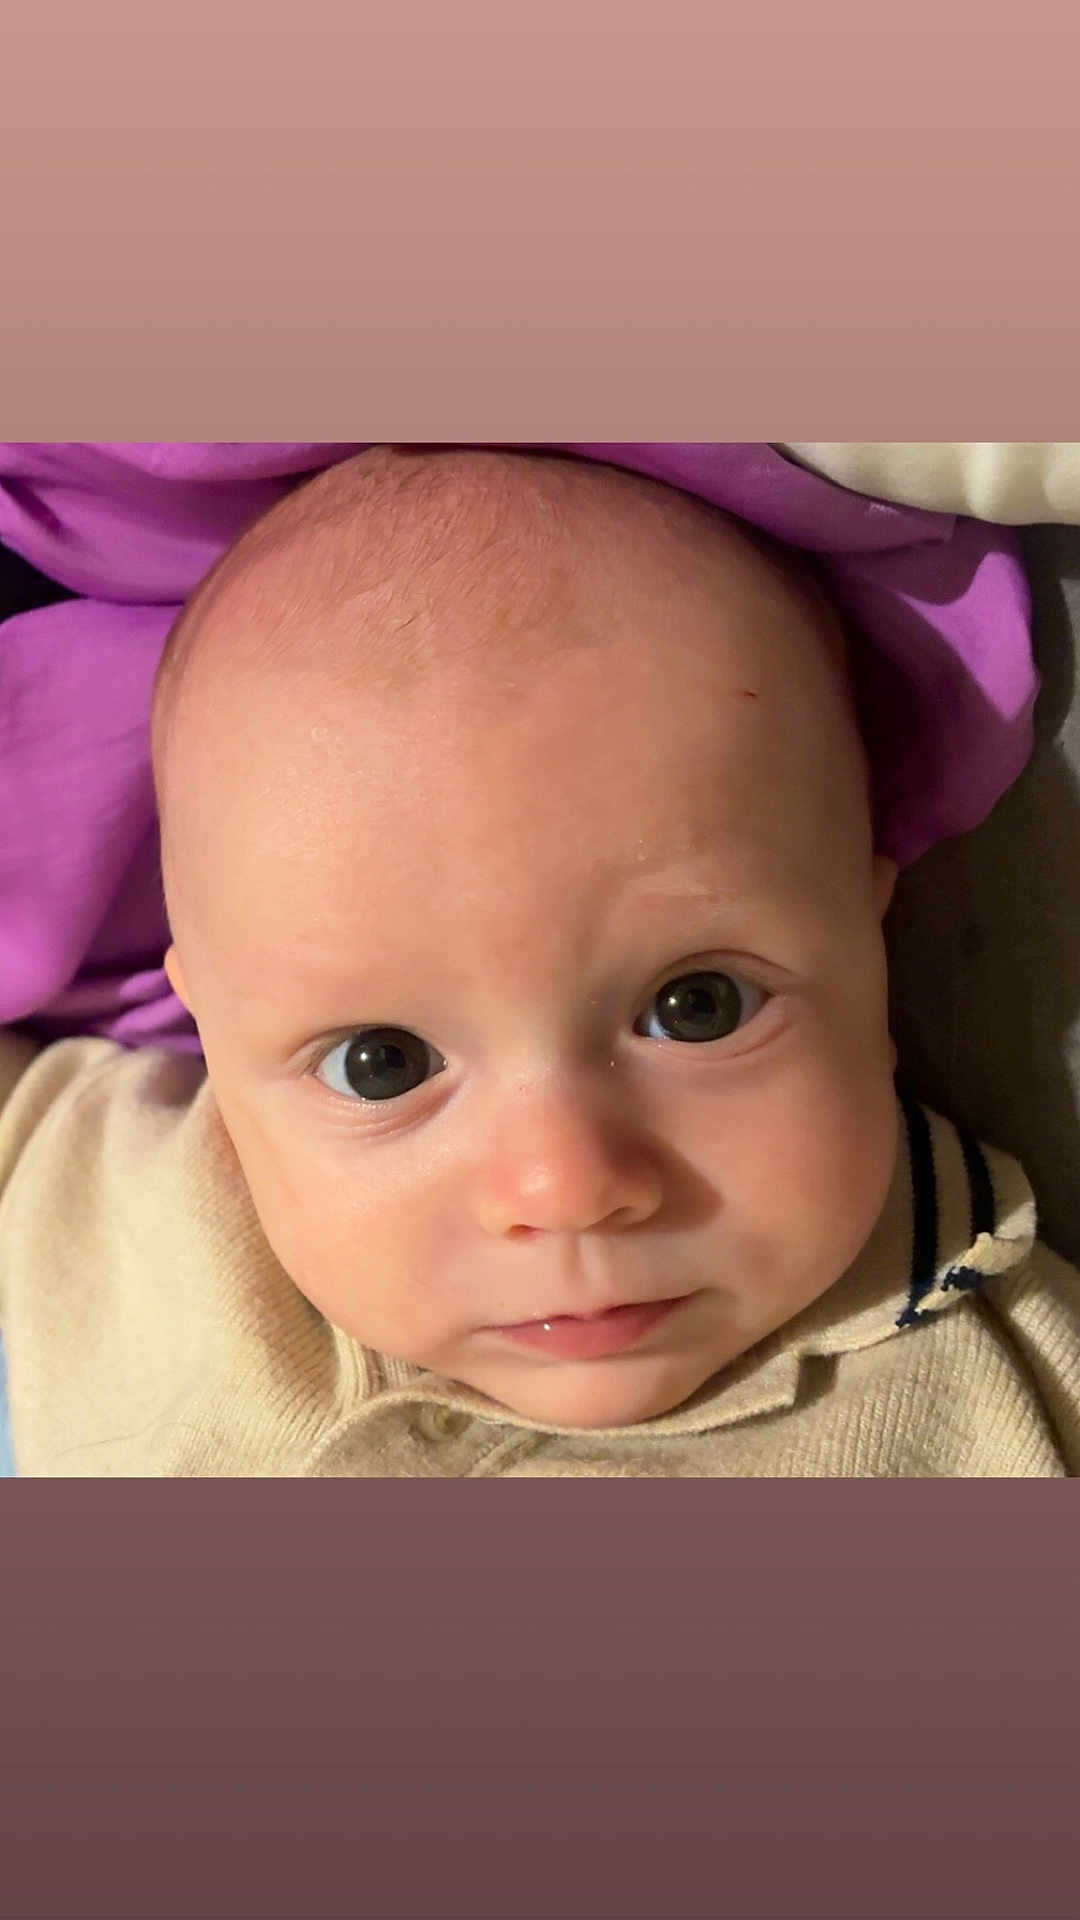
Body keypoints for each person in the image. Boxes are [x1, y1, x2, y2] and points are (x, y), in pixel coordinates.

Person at [1, 446, 1076, 1474]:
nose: (565, 1187)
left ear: (870, 950)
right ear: (216, 1033)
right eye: (380, 1063)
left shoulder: (1025, 1361)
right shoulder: (102, 1197)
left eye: (698, 1007)